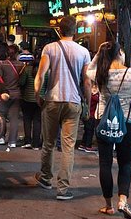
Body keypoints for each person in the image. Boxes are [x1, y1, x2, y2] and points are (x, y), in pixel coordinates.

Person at [33, 16, 92, 201]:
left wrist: (38, 96)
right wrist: (88, 104)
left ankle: (45, 178)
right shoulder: (83, 52)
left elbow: (40, 75)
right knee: (68, 147)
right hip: (73, 103)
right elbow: (87, 81)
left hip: (52, 100)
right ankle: (63, 189)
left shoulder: (50, 48)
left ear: (59, 30)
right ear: (75, 31)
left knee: (48, 143)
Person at [94, 41, 131, 219]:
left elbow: (87, 71)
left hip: (103, 121)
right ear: (120, 53)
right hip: (127, 123)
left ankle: (108, 205)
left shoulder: (100, 73)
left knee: (105, 163)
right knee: (124, 163)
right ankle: (123, 200)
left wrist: (98, 54)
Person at [0, 44, 25, 148]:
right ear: (17, 53)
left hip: (5, 94)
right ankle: (12, 141)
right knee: (14, 118)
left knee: (1, 116)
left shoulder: (2, 64)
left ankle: (1, 137)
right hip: (17, 94)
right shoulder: (22, 65)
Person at [19, 53, 41, 149]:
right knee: (37, 121)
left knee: (27, 120)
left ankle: (28, 141)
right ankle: (36, 144)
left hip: (27, 99)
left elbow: (21, 82)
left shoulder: (27, 70)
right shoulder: (46, 71)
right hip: (40, 99)